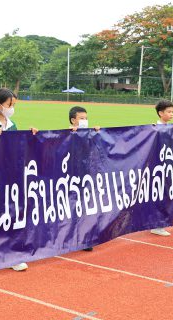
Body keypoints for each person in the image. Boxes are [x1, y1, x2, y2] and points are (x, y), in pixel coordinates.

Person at [0, 88, 37, 271]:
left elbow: (17, 147)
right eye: (10, 104)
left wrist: (30, 136)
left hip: (10, 176)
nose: (12, 108)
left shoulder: (12, 124)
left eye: (14, 104)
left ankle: (9, 254)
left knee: (10, 213)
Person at [69, 106, 100, 251]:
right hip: (69, 177)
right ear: (73, 120)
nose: (85, 121)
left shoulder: (89, 133)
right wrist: (70, 133)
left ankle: (84, 238)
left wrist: (97, 133)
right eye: (81, 118)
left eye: (86, 118)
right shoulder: (66, 134)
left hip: (85, 176)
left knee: (85, 205)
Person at [151, 100, 173, 237]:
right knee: (159, 194)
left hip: (168, 167)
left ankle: (160, 223)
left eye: (172, 112)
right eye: (169, 112)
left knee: (166, 194)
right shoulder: (154, 128)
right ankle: (157, 225)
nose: (171, 114)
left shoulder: (172, 128)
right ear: (160, 113)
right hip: (157, 168)